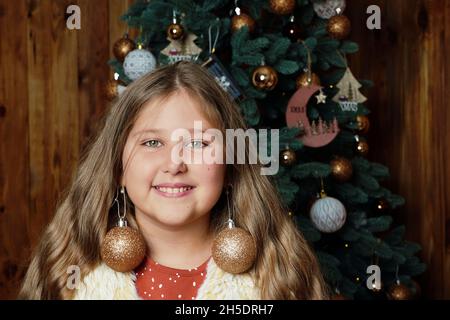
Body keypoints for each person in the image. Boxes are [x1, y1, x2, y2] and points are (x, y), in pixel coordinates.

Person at [18, 61, 328, 300]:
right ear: (117, 168)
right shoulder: (67, 274)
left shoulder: (281, 276)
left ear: (230, 166)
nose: (174, 164)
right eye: (152, 143)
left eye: (198, 144)